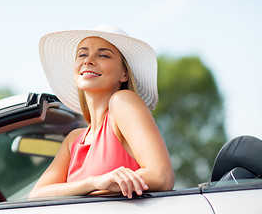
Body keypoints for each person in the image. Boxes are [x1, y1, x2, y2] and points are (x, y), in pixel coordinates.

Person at [29, 24, 174, 199]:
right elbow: (36, 195)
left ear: (124, 74)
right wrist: (94, 182)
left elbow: (162, 176)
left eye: (104, 55)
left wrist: (103, 185)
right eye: (82, 54)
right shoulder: (73, 140)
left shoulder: (123, 102)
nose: (88, 60)